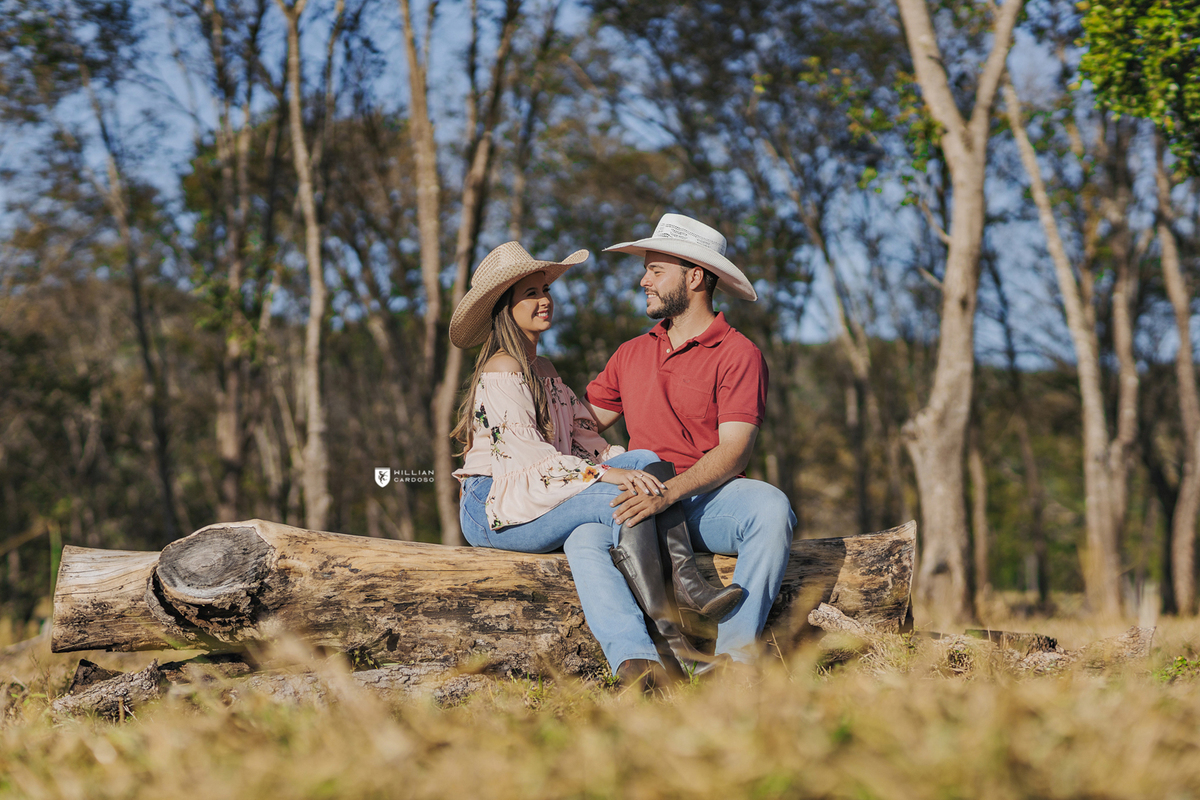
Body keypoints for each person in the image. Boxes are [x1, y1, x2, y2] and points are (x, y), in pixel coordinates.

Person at [449, 241, 741, 688]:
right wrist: (610, 475)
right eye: (530, 293)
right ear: (505, 308)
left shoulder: (542, 368)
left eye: (545, 289)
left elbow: (585, 441)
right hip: (495, 505)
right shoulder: (501, 369)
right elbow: (531, 460)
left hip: (543, 495)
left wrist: (623, 465)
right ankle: (685, 646)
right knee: (623, 499)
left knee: (627, 486)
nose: (545, 299)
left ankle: (635, 662)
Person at [565, 213, 797, 676]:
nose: (642, 280)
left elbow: (735, 451)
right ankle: (641, 666)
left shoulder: (738, 354)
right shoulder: (630, 353)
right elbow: (578, 428)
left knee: (771, 506)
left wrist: (667, 494)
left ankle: (731, 664)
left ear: (694, 277)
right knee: (583, 537)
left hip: (701, 503)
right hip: (637, 505)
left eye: (655, 270)